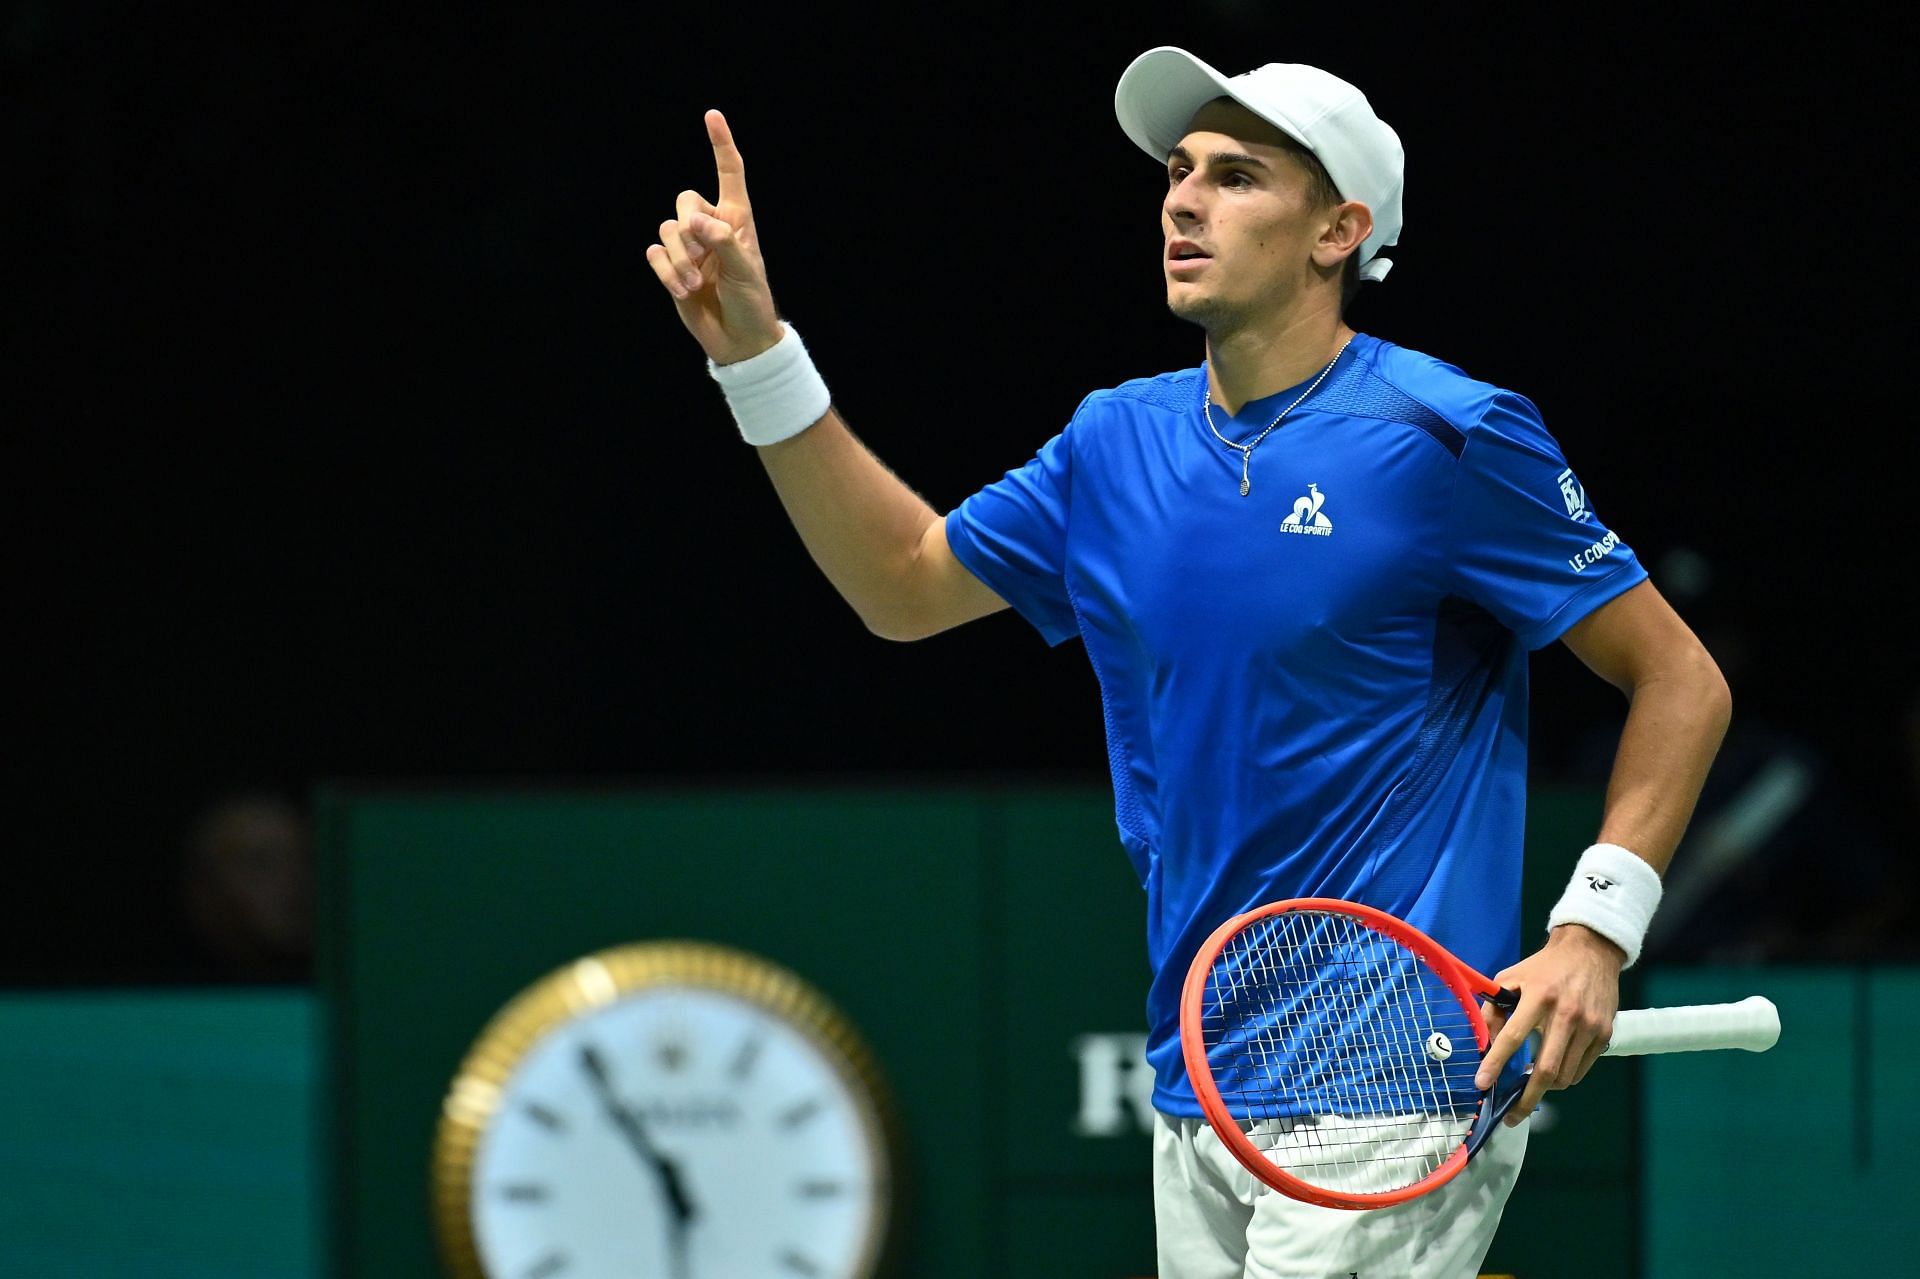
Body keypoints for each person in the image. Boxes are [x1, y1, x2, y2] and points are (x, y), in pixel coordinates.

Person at [648, 45, 1731, 1279]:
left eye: (1236, 175)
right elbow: (899, 584)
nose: (1183, 198)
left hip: (1392, 1076)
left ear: (1338, 231)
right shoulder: (1113, 442)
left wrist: (1596, 928)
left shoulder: (1448, 434)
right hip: (1201, 1076)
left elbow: (1680, 678)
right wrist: (755, 354)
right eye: (1178, 171)